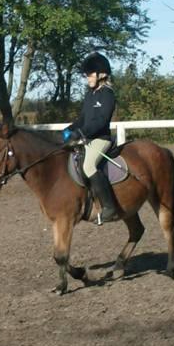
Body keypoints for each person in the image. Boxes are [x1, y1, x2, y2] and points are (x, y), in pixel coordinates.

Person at [63, 52, 119, 224]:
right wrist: (70, 129)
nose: (87, 77)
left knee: (88, 166)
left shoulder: (107, 94)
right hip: (87, 138)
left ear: (101, 74)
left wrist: (81, 133)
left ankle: (109, 207)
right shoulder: (90, 95)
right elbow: (83, 119)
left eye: (89, 74)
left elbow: (101, 120)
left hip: (101, 139)